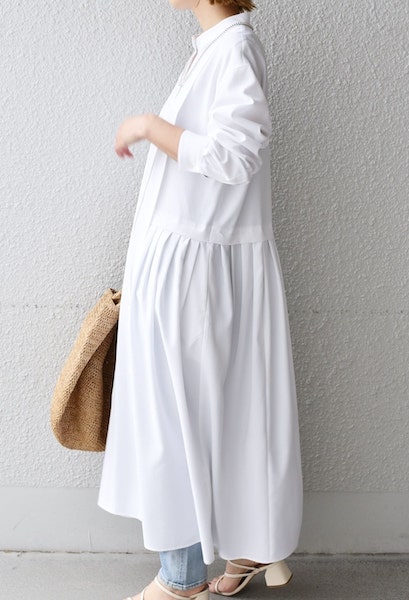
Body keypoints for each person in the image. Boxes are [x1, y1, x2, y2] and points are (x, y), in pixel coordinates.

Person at [97, 1, 303, 598]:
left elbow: (235, 157)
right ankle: (251, 548)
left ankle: (182, 578)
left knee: (178, 420)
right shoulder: (218, 49)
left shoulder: (234, 49)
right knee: (224, 416)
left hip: (199, 273)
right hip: (194, 265)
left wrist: (147, 126)